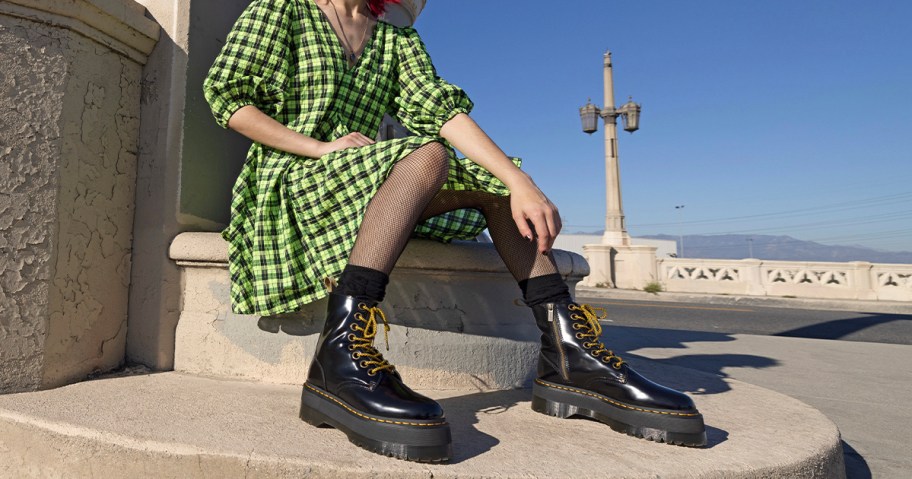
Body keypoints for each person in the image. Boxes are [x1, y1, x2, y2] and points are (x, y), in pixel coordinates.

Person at [203, 0, 706, 462]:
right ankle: (338, 358)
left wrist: (519, 181)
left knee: (492, 178)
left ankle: (568, 353)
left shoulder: (394, 39)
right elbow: (227, 98)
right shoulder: (283, 9)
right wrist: (320, 147)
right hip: (294, 175)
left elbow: (443, 112)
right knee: (428, 154)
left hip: (364, 179)